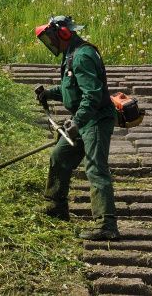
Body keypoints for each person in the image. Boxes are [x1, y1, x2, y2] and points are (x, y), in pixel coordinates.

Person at [35, 15, 119, 241]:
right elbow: (72, 88)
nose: (49, 43)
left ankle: (107, 225)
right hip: (84, 119)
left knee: (95, 168)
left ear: (62, 34)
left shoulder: (82, 56)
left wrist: (77, 122)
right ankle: (56, 205)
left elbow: (91, 95)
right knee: (59, 155)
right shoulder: (71, 54)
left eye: (50, 38)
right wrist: (49, 93)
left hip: (96, 120)